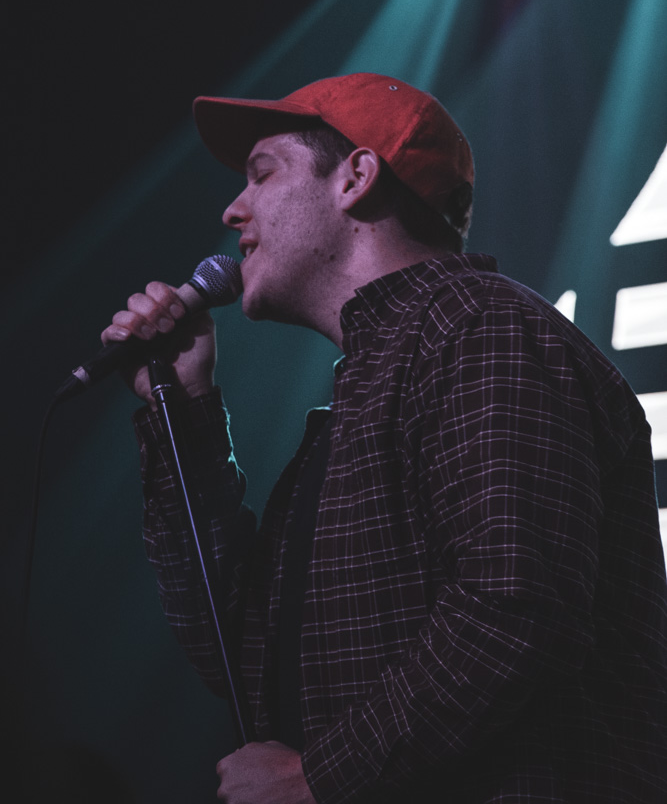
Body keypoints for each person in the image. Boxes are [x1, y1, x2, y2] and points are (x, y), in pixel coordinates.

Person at [102, 73, 667, 803]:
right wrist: (182, 406)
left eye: (261, 174)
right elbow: (244, 657)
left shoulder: (481, 329)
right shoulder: (374, 387)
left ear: (356, 178)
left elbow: (518, 608)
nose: (232, 209)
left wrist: (320, 777)